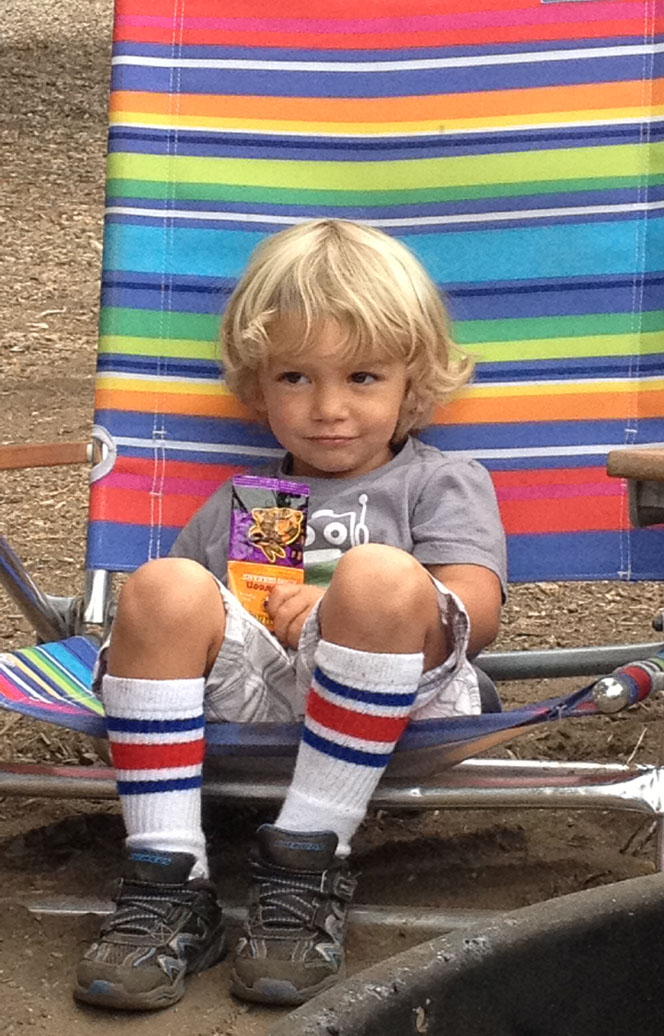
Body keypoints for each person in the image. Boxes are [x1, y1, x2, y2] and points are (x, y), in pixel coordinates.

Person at [73, 219, 506, 1011]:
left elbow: (474, 613)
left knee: (377, 575)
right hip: (262, 696)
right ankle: (169, 879)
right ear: (256, 386)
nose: (328, 408)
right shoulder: (247, 504)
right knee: (164, 584)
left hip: (405, 698)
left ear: (414, 382)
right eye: (296, 378)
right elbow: (181, 630)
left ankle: (307, 859)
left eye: (363, 377)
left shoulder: (435, 482)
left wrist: (341, 603)